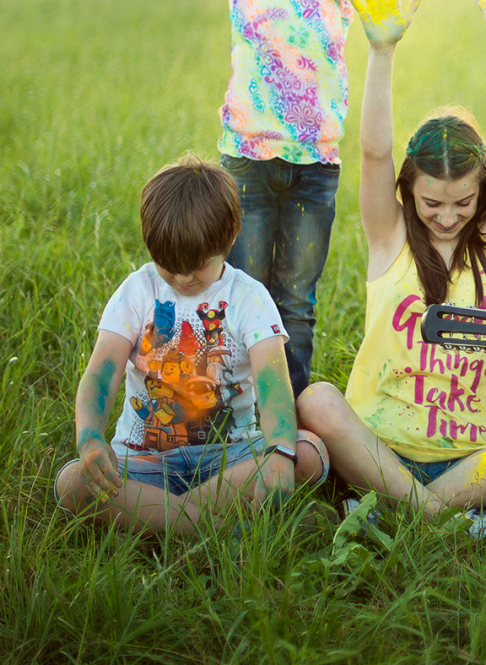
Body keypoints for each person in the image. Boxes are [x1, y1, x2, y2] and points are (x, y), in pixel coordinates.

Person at [297, 0, 486, 535]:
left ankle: (401, 514)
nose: (448, 218)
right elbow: (373, 153)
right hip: (384, 451)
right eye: (432, 204)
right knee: (318, 400)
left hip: (476, 459)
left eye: (463, 203)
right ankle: (455, 524)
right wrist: (380, 53)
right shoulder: (389, 236)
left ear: (482, 193)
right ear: (408, 192)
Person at [218, 0, 405, 400]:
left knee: (295, 303)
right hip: (247, 161)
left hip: (314, 170)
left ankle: (289, 424)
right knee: (244, 298)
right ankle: (240, 416)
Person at [54, 156, 328, 536]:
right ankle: (228, 532)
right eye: (168, 266)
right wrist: (90, 438)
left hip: (231, 459)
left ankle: (169, 521)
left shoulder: (248, 297)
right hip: (144, 462)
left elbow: (273, 380)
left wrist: (280, 449)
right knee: (73, 483)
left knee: (307, 451)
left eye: (196, 265)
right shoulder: (137, 291)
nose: (182, 277)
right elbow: (102, 371)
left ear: (229, 239)